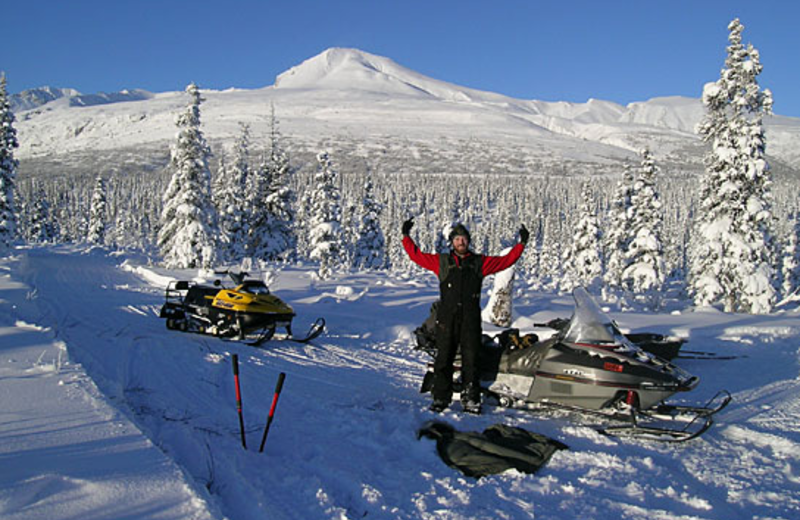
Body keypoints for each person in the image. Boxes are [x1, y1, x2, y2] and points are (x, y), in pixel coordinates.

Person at [402, 218, 528, 414]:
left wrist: (521, 244)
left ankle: (471, 398)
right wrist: (406, 237)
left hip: (470, 319)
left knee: (471, 359)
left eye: (464, 239)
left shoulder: (479, 263)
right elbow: (417, 256)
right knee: (444, 359)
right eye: (457, 239)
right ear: (452, 242)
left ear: (468, 242)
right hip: (446, 319)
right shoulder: (442, 262)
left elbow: (505, 261)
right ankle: (440, 398)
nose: (461, 242)